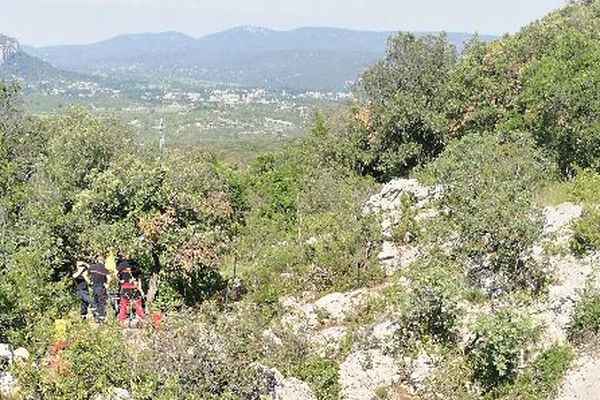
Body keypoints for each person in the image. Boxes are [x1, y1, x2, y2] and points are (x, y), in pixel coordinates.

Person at [117, 257, 146, 322]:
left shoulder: (121, 265)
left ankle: (121, 320)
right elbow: (139, 277)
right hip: (134, 287)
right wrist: (140, 288)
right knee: (138, 304)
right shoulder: (135, 264)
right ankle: (142, 318)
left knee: (123, 304)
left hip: (125, 287)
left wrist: (120, 281)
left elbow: (117, 275)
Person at [88, 254, 111, 323]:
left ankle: (96, 317)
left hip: (94, 287)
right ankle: (101, 318)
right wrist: (107, 284)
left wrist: (89, 281)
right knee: (101, 302)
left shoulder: (92, 267)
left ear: (97, 260)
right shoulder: (104, 269)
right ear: (103, 261)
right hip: (101, 287)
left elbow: (85, 274)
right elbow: (109, 278)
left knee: (95, 302)